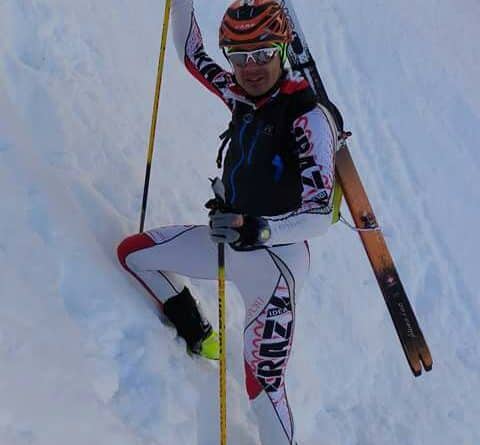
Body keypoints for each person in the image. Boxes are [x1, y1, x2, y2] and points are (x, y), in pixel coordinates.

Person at [117, 0, 338, 443]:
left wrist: (261, 229)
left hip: (276, 267)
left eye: (262, 54)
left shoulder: (309, 118)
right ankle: (199, 334)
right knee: (134, 255)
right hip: (228, 242)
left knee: (264, 388)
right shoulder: (239, 93)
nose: (250, 68)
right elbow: (192, 54)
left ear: (283, 50)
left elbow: (318, 216)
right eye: (239, 56)